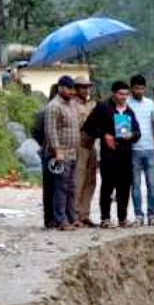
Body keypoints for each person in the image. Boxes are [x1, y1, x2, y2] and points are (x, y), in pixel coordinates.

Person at [84, 80, 141, 228]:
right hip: (109, 154)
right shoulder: (103, 107)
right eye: (121, 94)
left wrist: (132, 135)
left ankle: (122, 218)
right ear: (114, 93)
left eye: (126, 94)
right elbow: (88, 126)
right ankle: (105, 218)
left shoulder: (129, 111)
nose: (124, 97)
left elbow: (138, 132)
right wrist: (104, 135)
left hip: (126, 154)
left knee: (124, 187)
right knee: (108, 186)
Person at [44, 75, 82, 230]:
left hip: (73, 152)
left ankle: (72, 218)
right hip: (60, 153)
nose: (72, 91)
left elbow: (74, 125)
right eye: (68, 88)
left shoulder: (72, 104)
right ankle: (60, 220)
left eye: (73, 88)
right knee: (60, 187)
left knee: (71, 187)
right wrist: (57, 150)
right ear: (60, 87)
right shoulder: (54, 106)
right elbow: (51, 130)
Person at [128, 74, 154, 225]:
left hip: (150, 148)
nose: (139, 91)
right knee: (136, 184)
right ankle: (139, 215)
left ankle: (152, 215)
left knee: (151, 184)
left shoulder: (150, 104)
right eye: (137, 88)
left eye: (142, 88)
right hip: (133, 149)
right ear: (131, 88)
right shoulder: (126, 104)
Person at [31, 82, 59, 229]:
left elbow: (35, 132)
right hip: (50, 153)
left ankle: (51, 219)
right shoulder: (46, 112)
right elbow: (36, 132)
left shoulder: (43, 111)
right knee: (54, 187)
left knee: (51, 187)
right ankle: (52, 218)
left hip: (49, 152)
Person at [73, 75, 99, 226]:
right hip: (79, 145)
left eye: (87, 86)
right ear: (76, 88)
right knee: (79, 180)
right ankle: (75, 214)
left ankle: (85, 213)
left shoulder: (92, 103)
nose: (85, 89)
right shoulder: (72, 104)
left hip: (92, 144)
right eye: (82, 87)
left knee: (91, 180)